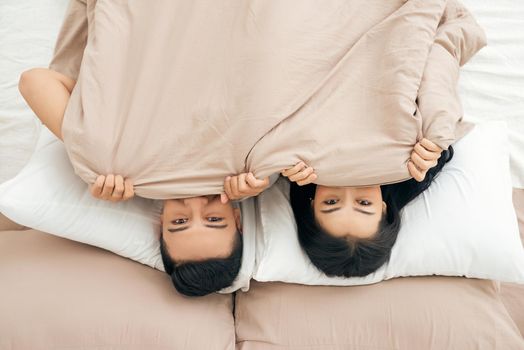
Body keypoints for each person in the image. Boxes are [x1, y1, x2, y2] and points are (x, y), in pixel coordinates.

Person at [18, 67, 270, 296]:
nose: (196, 204)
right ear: (237, 220)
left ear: (160, 223)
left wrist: (94, 158)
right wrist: (260, 163)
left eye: (180, 221)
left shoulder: (122, 166)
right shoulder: (251, 166)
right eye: (214, 219)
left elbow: (34, 81)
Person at [283, 132, 454, 278]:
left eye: (331, 202)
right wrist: (432, 145)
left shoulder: (290, 160)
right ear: (383, 207)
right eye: (364, 202)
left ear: (312, 205)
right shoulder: (414, 162)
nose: (348, 188)